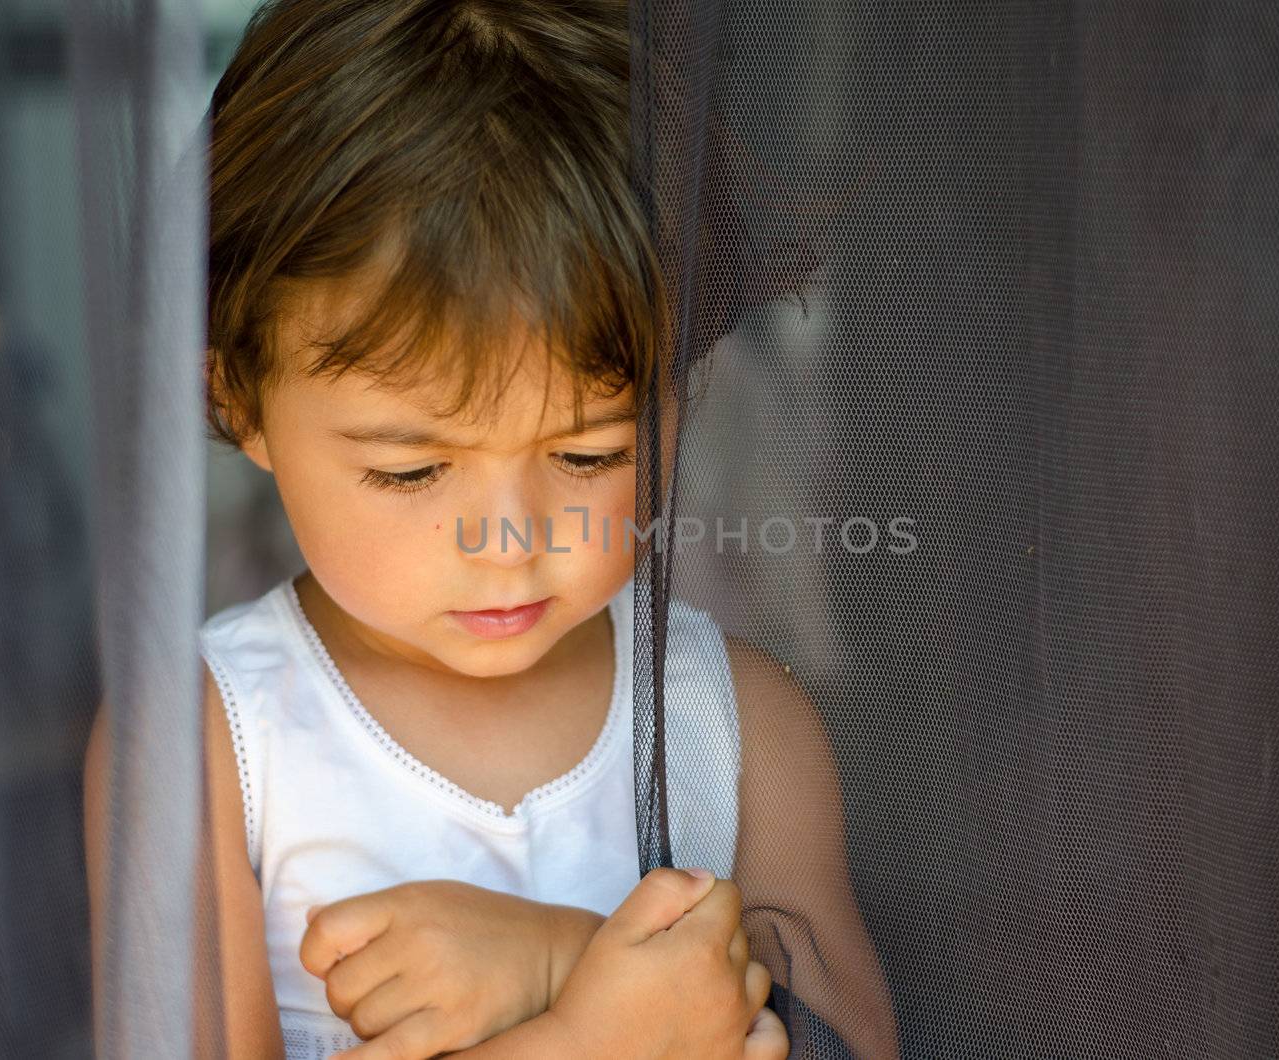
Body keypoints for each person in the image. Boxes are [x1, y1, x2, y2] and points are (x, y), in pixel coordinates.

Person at [85, 1, 894, 1057]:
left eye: (588, 453)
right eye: (411, 469)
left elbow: (855, 1043)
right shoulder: (210, 742)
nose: (507, 541)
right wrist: (579, 1031)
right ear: (240, 398)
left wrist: (558, 957)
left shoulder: (739, 726)